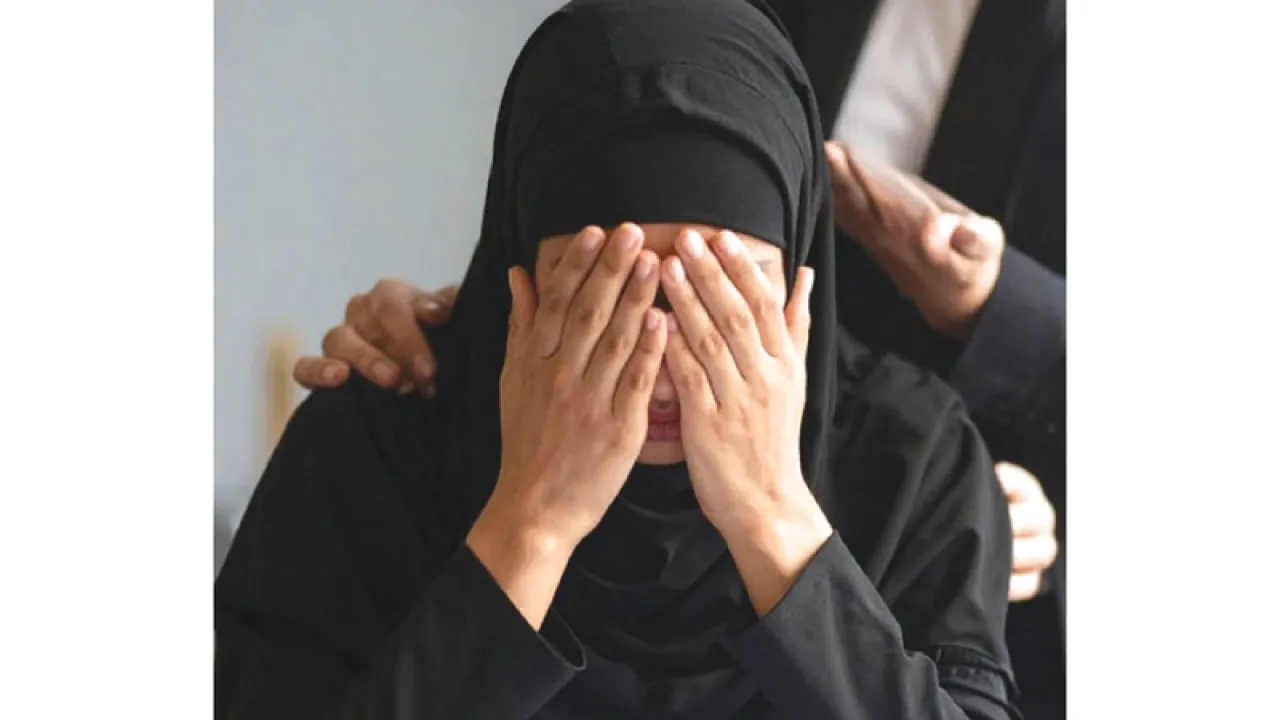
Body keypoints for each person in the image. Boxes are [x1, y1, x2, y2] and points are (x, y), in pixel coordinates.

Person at [216, 1, 1018, 717]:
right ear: (519, 275)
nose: (661, 359)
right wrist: (529, 527)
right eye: (605, 292)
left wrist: (774, 520)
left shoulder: (914, 462)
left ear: (797, 282)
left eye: (720, 296)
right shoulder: (369, 447)